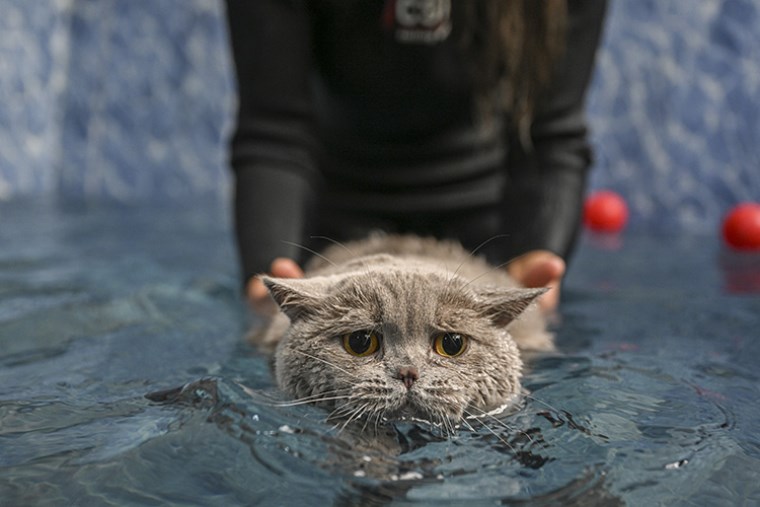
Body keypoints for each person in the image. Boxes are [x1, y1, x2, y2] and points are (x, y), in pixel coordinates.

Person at [225, 0, 607, 315]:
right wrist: (270, 264)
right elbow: (274, 130)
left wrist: (536, 249)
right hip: (332, 227)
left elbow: (552, 134)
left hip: (491, 237)